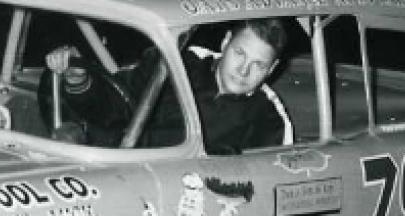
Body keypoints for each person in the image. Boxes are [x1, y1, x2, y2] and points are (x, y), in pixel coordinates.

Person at [45, 16, 292, 154]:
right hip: (114, 166)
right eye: (239, 53)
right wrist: (80, 80)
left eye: (258, 65)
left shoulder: (269, 119)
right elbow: (115, 102)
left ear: (271, 69)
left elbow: (268, 186)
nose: (243, 70)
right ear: (225, 42)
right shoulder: (177, 62)